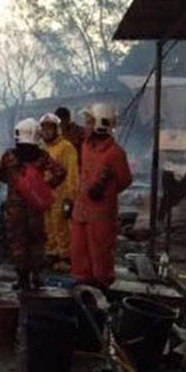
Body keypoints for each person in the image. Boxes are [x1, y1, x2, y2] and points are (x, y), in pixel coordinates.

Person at [70, 103, 132, 289]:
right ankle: (83, 287)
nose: (86, 127)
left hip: (101, 215)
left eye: (89, 123)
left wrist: (105, 193)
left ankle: (101, 288)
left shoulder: (115, 153)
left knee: (101, 253)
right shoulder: (86, 147)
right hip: (81, 211)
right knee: (79, 250)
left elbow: (125, 180)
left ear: (99, 124)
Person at [0, 118, 66, 290]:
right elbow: (60, 172)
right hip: (35, 207)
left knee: (18, 242)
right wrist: (45, 187)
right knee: (37, 241)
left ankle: (22, 279)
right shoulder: (42, 156)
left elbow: (1, 176)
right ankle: (37, 277)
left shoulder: (9, 156)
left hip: (15, 209)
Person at [39, 113, 78, 270]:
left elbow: (72, 172)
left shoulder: (66, 147)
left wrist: (70, 196)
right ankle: (52, 253)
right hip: (45, 194)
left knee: (61, 226)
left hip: (61, 195)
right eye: (44, 128)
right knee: (48, 225)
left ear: (57, 129)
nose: (46, 132)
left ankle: (66, 256)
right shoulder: (42, 148)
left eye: (50, 128)